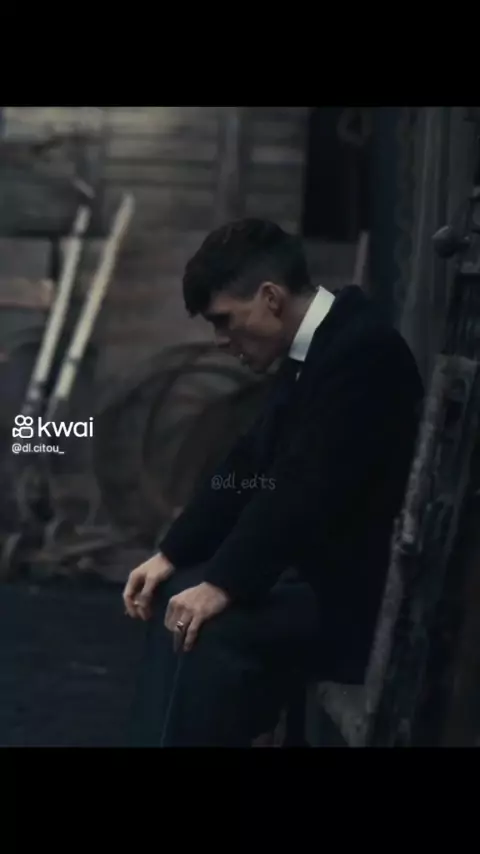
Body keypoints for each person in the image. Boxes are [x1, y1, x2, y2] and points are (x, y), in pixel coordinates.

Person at [123, 218, 424, 747]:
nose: (221, 341)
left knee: (208, 630)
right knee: (172, 593)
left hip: (358, 604)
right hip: (315, 580)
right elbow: (249, 465)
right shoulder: (319, 346)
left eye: (225, 321)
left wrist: (223, 584)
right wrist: (172, 553)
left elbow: (302, 488)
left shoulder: (363, 351)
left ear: (270, 298)